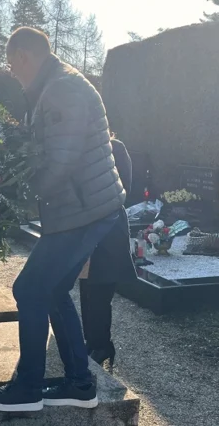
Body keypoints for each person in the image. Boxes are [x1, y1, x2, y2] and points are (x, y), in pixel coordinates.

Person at [0, 27, 125, 412]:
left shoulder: (62, 88)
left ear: (24, 56)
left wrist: (17, 200)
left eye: (12, 66)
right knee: (53, 290)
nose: (13, 73)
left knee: (29, 290)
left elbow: (62, 160)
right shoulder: (56, 84)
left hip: (83, 209)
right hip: (82, 207)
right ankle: (80, 384)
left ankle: (27, 388)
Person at [78, 135, 136, 369]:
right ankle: (92, 341)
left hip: (108, 229)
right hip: (85, 230)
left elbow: (125, 189)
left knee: (100, 293)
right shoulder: (81, 148)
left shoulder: (116, 148)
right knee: (86, 291)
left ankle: (102, 344)